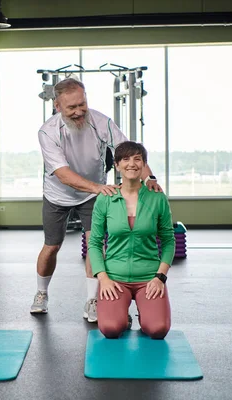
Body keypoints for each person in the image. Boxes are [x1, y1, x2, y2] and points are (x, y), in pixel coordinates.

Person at [30, 77, 163, 323]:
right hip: (58, 195)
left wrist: (150, 178)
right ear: (58, 107)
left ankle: (92, 299)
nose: (79, 111)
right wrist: (99, 187)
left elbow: (129, 152)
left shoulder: (101, 122)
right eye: (72, 107)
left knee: (95, 243)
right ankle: (41, 292)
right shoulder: (47, 132)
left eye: (83, 104)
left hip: (93, 195)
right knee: (52, 246)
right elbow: (63, 174)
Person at [88, 141, 175, 339]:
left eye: (138, 159)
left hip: (149, 278)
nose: (132, 164)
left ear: (144, 165)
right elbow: (94, 243)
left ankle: (146, 313)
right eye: (125, 159)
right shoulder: (106, 198)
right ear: (117, 165)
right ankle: (122, 315)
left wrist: (160, 277)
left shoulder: (157, 198)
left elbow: (169, 240)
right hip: (114, 278)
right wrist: (103, 278)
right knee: (111, 328)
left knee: (158, 329)